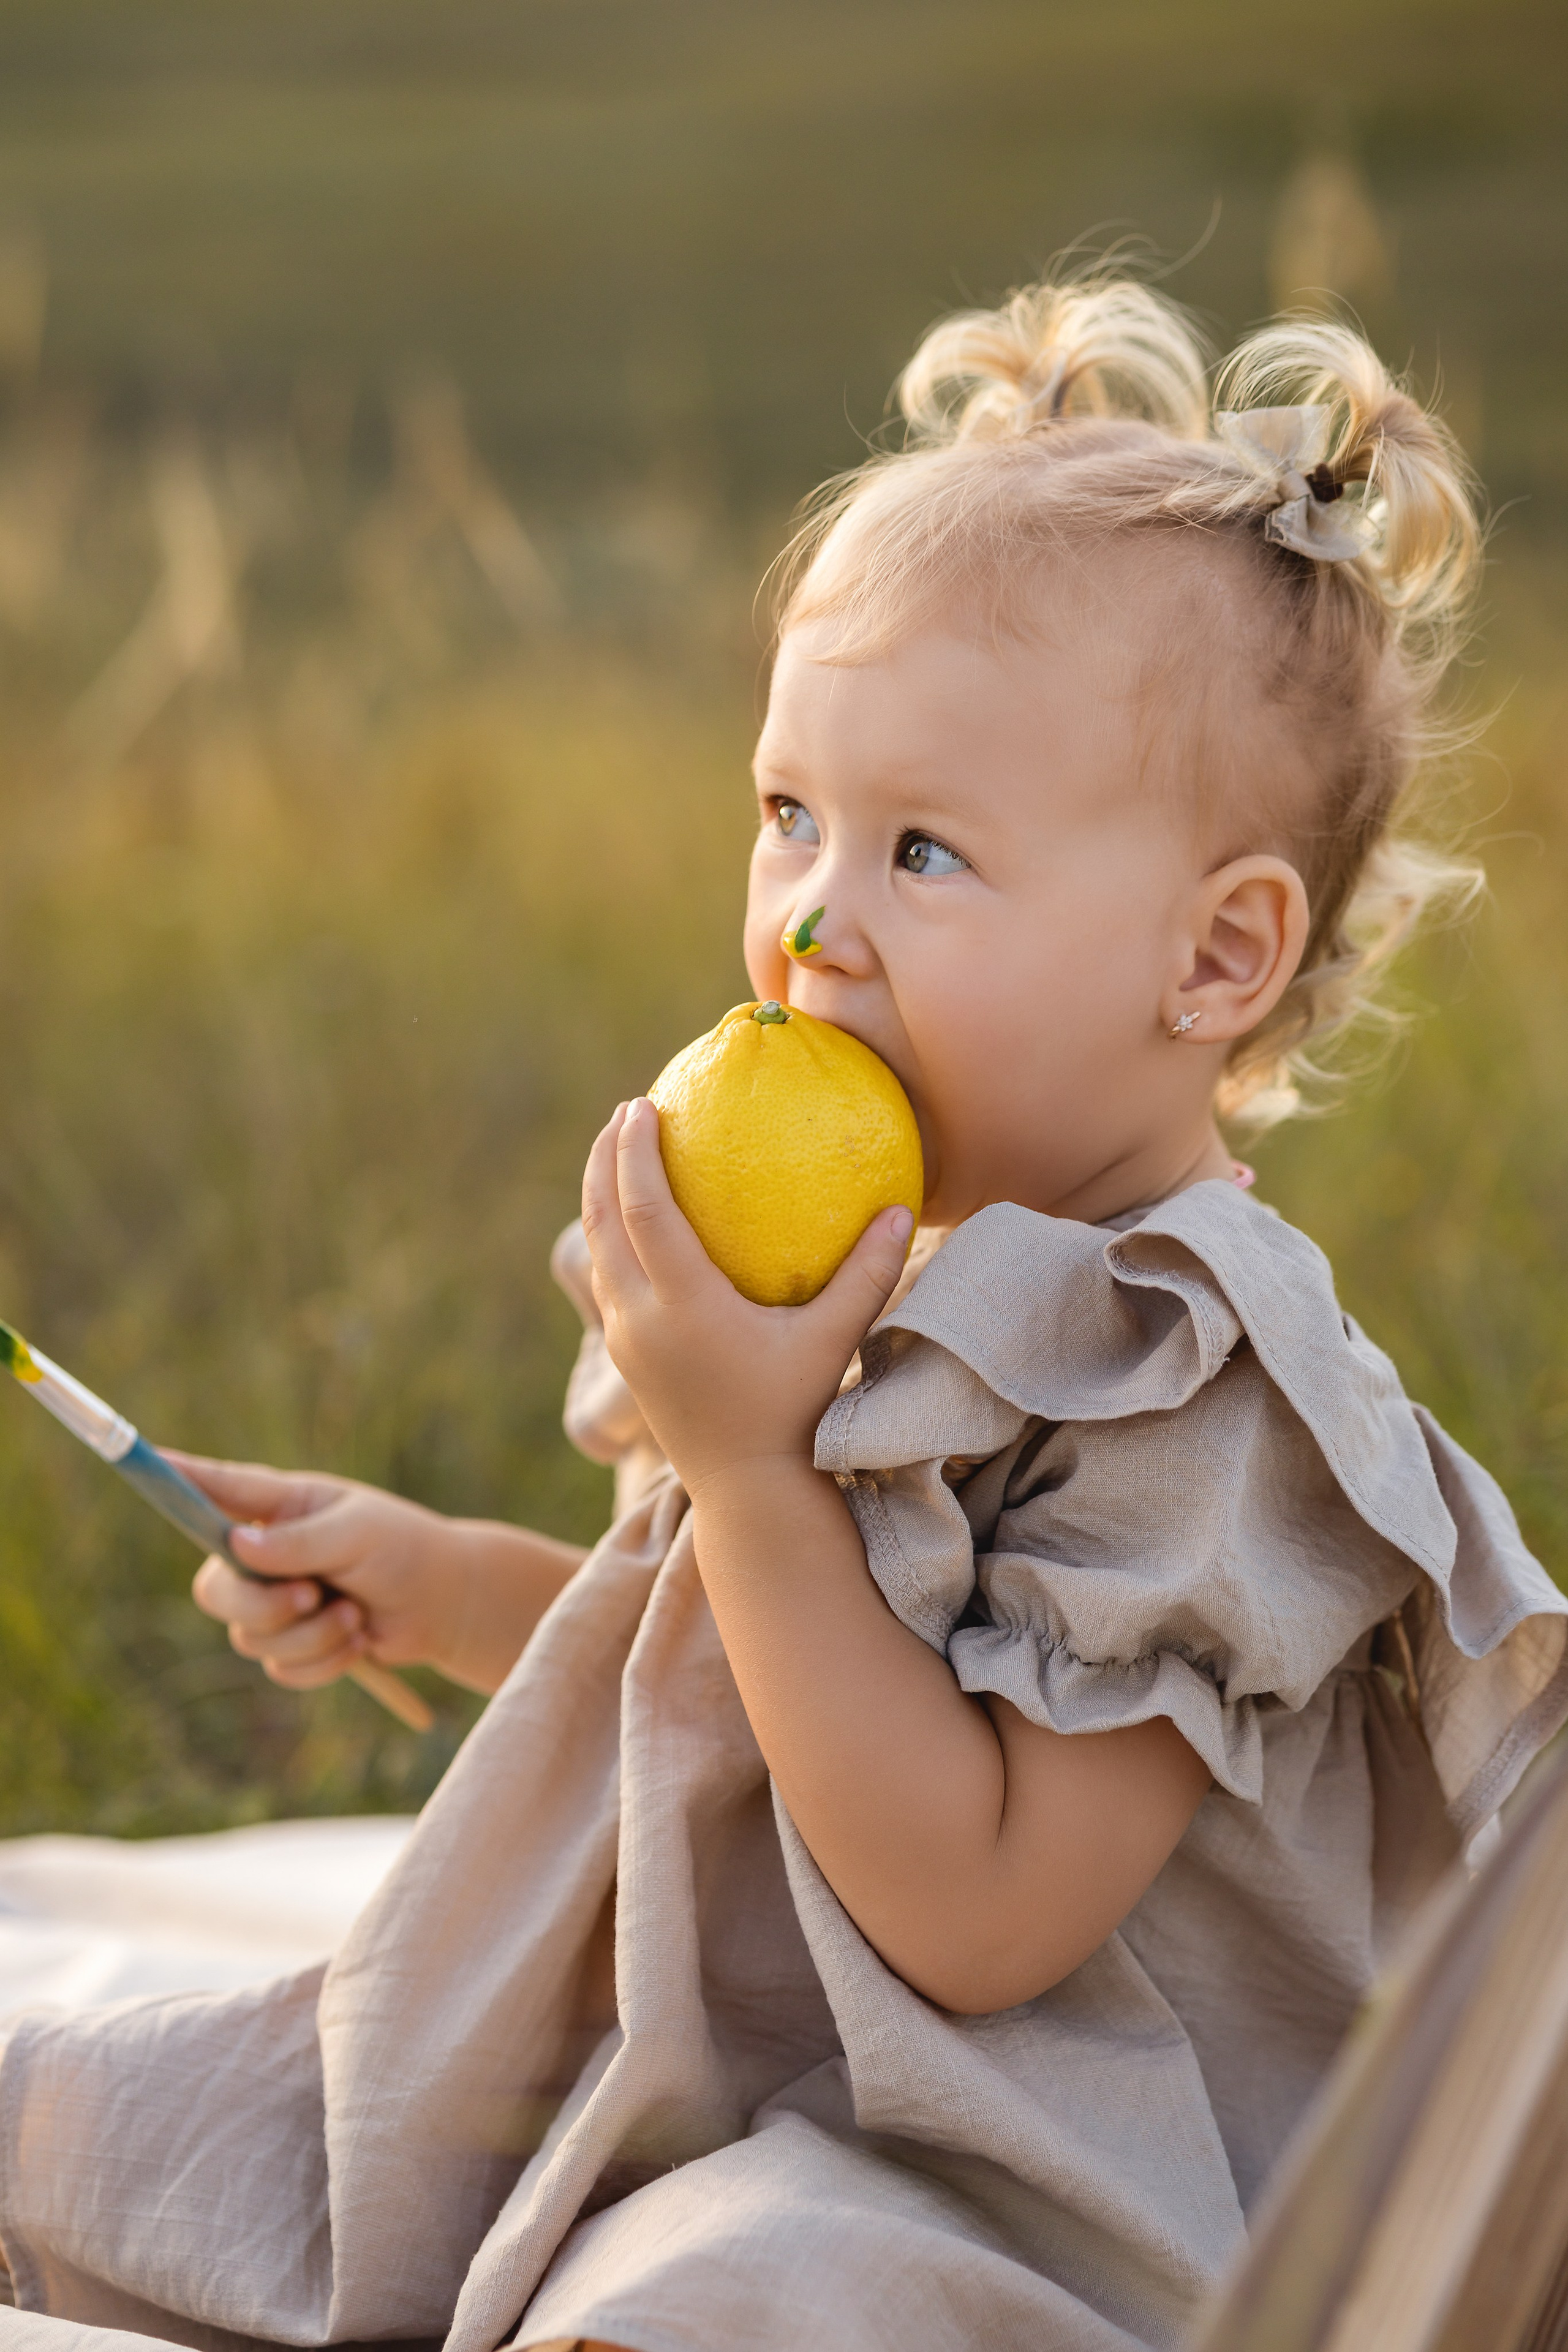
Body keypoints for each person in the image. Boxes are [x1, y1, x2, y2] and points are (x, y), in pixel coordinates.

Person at [2, 274, 1563, 2352]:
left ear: (1216, 959)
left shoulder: (1210, 1395)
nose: (812, 919)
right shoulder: (859, 1257)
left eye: (925, 848)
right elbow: (748, 1678)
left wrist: (749, 1460)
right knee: (141, 2124)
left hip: (1040, 2160)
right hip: (780, 2063)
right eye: (788, 814)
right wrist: (444, 1583)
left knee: (730, 2298)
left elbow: (986, 1910)